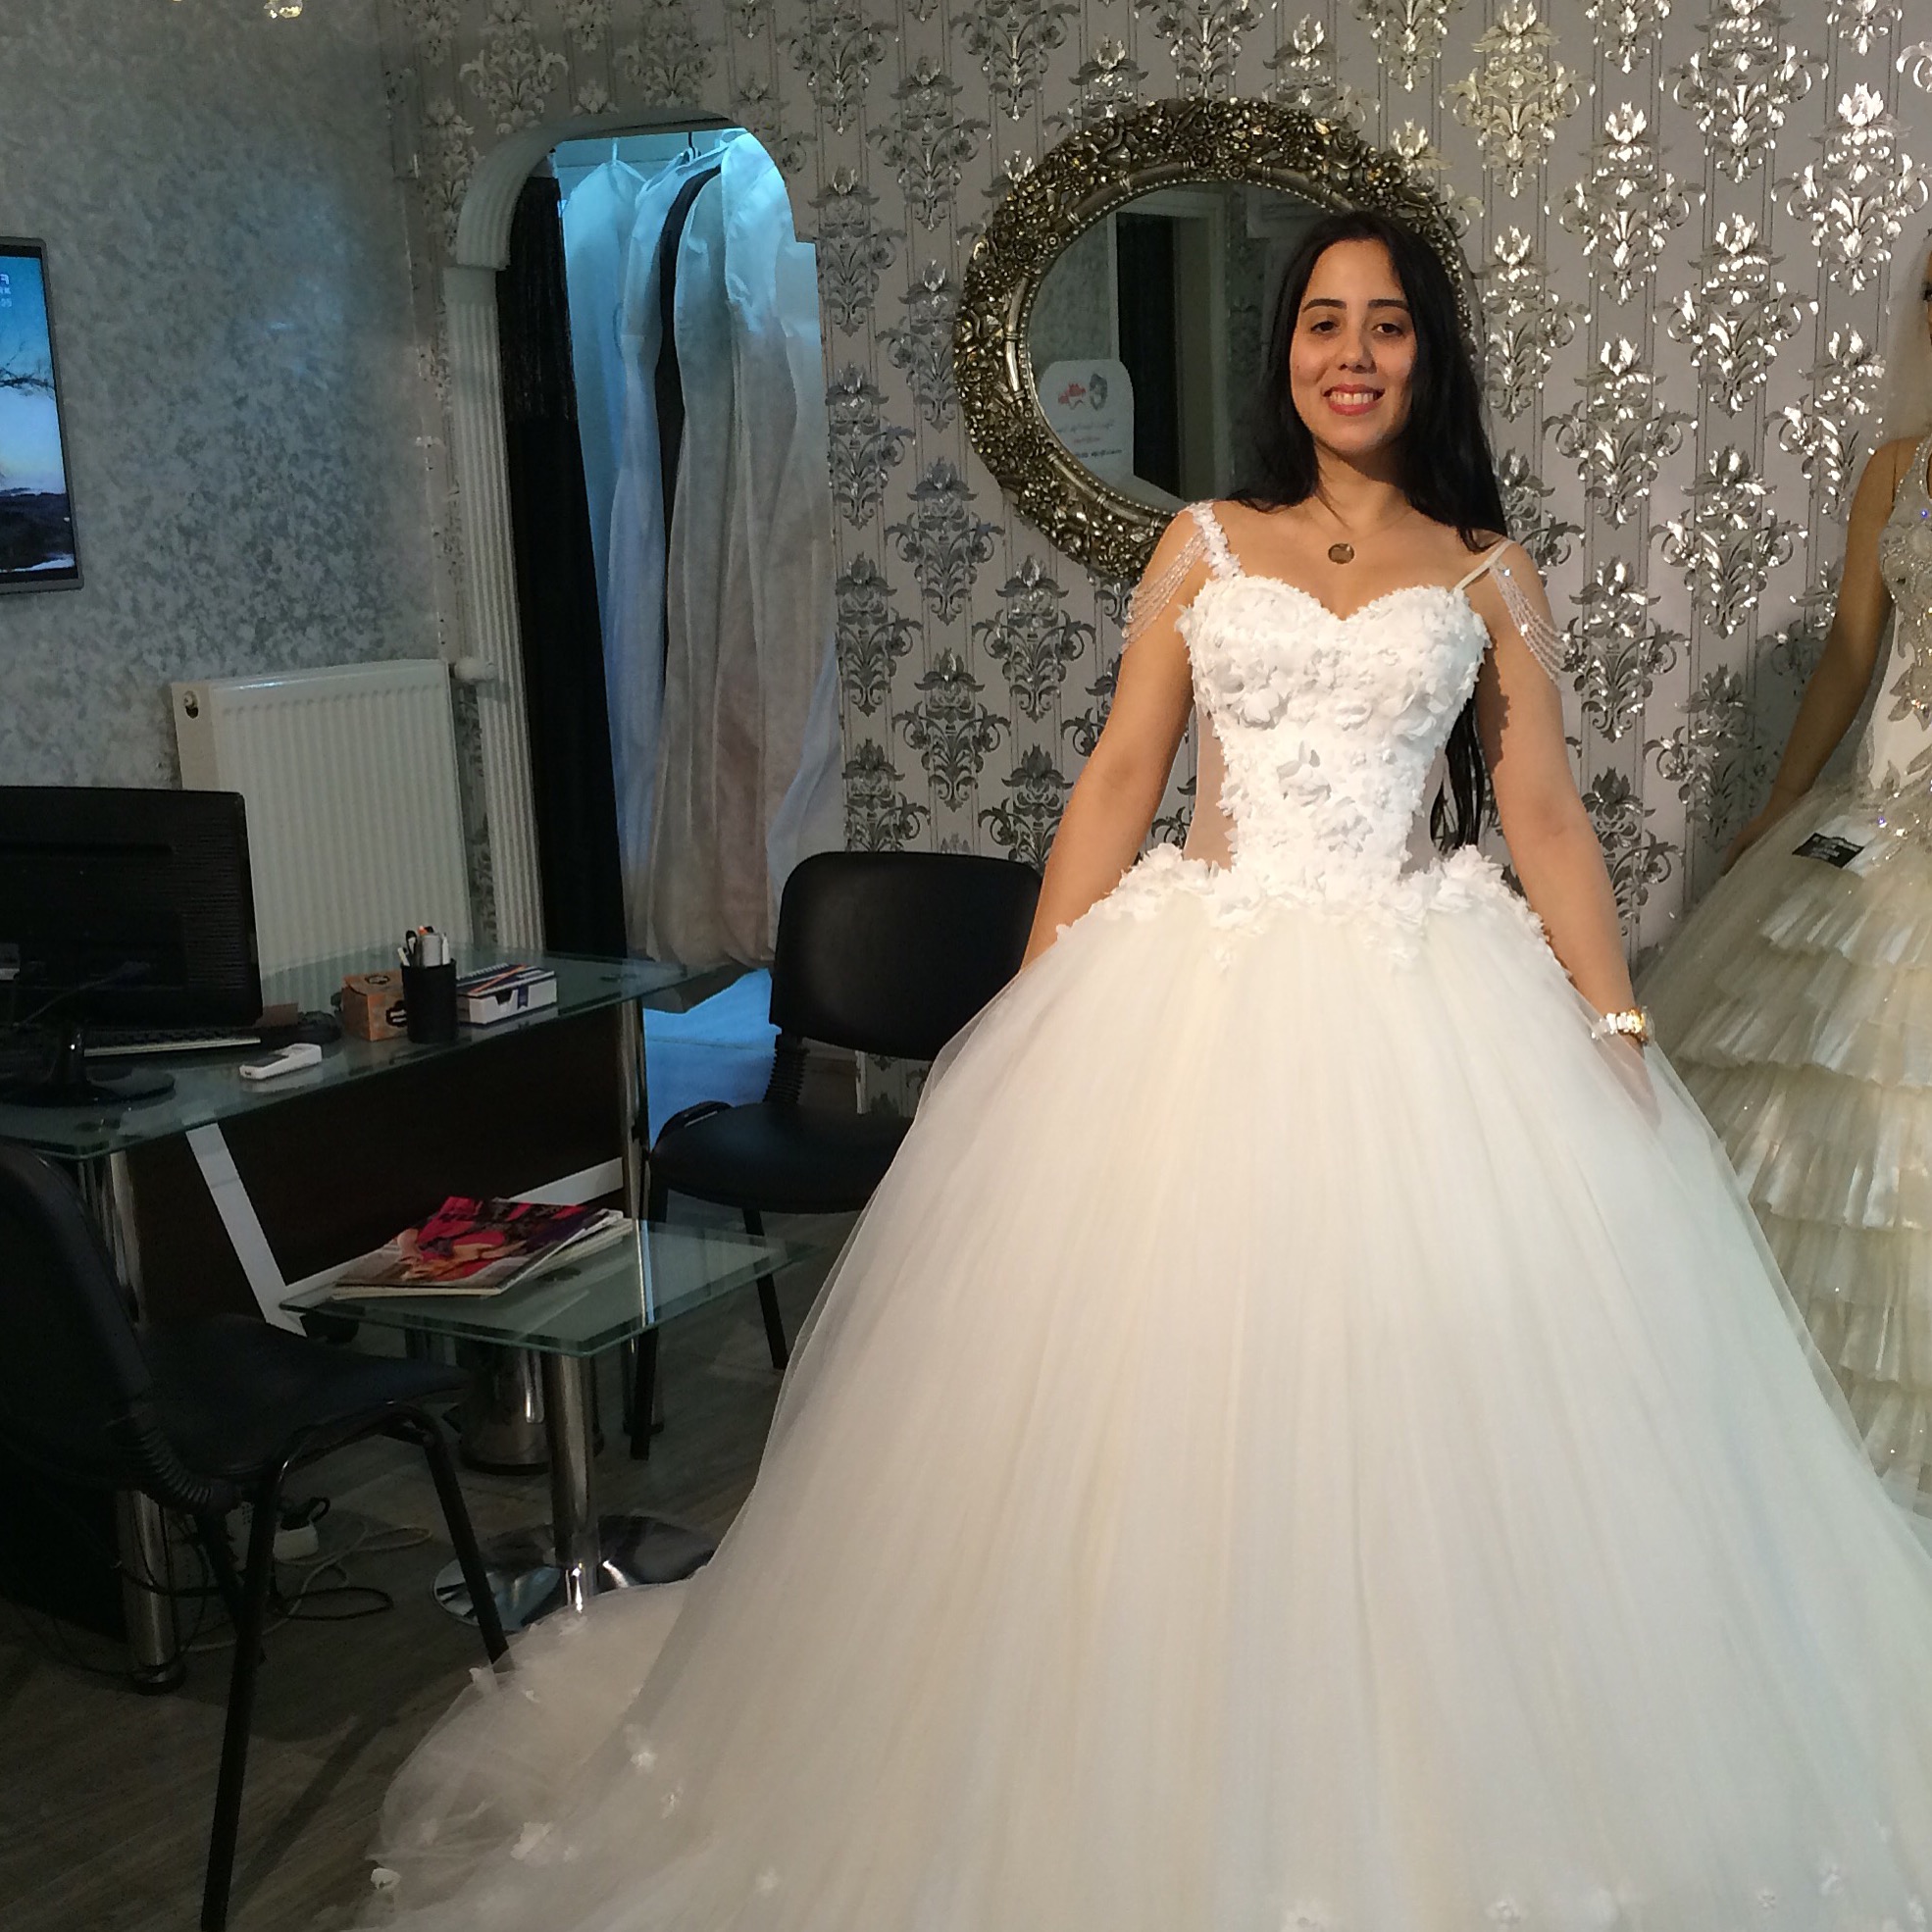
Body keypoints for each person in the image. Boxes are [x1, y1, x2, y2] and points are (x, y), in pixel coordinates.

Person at [364, 213, 1932, 1930]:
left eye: (1385, 324)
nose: (1351, 353)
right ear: (1283, 351)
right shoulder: (1202, 542)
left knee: (1419, 1397)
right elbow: (1120, 774)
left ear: (1426, 354)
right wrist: (1039, 1012)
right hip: (1200, 995)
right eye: (1321, 321)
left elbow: (1541, 809)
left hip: (1424, 1003)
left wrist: (1615, 1022)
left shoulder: (1484, 566)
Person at [1641, 232, 1932, 1514]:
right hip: (1875, 813)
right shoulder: (1897, 469)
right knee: (1809, 1093)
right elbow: (1852, 652)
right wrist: (1778, 799)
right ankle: (1786, 1459)